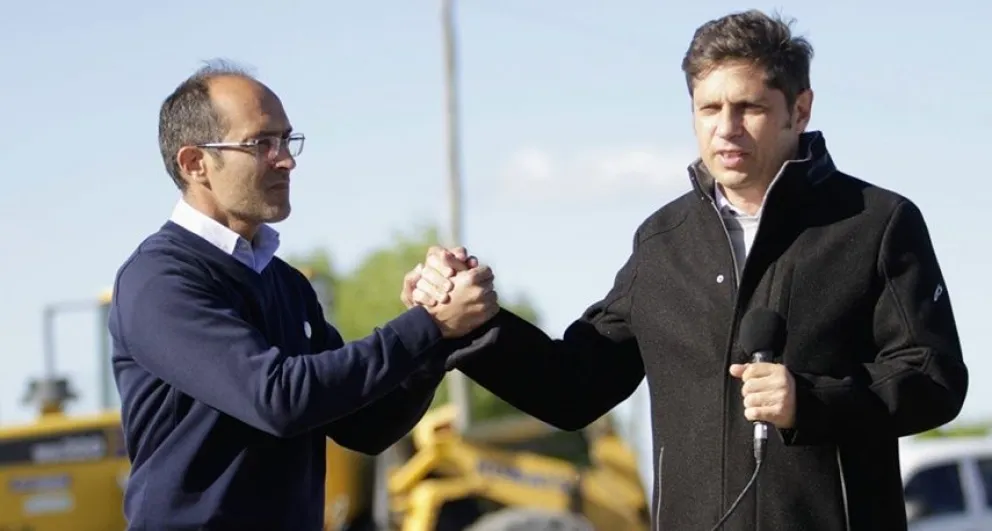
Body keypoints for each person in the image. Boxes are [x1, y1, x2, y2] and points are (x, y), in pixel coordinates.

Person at [404, 10, 969, 530]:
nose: (726, 128)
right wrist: (471, 325)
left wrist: (811, 400)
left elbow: (935, 379)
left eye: (749, 108)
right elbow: (573, 387)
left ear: (800, 110)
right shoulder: (662, 243)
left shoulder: (875, 224)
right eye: (709, 109)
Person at [108, 62, 499, 531]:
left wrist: (435, 334)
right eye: (261, 143)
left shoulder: (285, 282)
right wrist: (427, 326)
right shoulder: (159, 280)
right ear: (195, 163)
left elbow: (367, 427)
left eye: (287, 140)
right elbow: (277, 398)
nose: (286, 160)